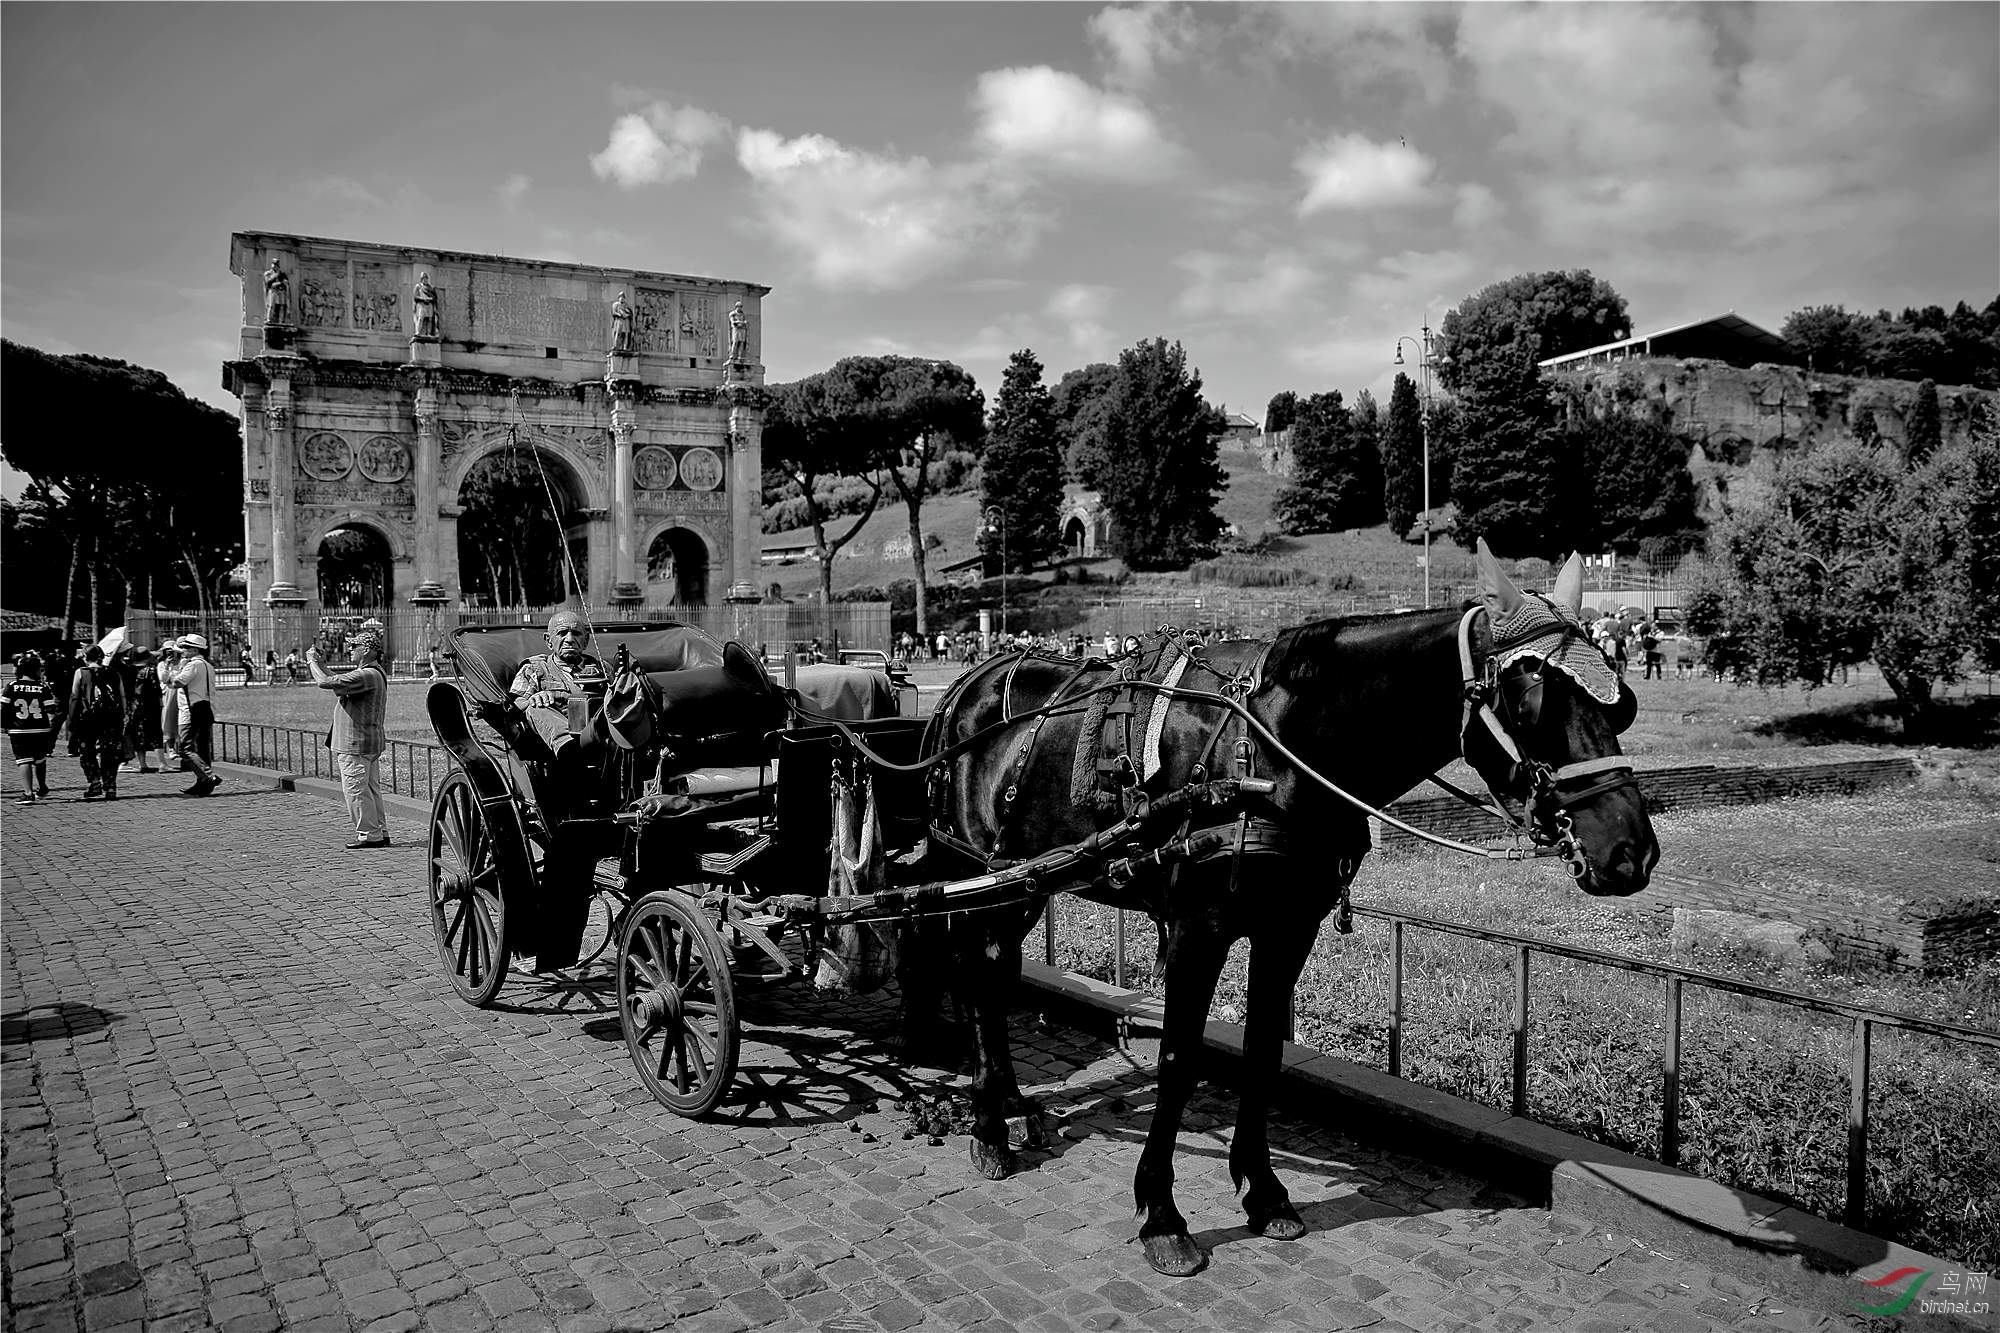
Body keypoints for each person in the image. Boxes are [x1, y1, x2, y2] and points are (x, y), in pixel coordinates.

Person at [308, 626, 391, 849]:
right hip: (367, 741)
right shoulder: (373, 673)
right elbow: (336, 678)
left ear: (367, 650)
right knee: (370, 789)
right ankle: (378, 831)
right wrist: (322, 663)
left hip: (356, 743)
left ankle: (369, 834)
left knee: (356, 789)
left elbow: (324, 682)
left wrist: (312, 663)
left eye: (354, 646)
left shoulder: (366, 674)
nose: (349, 650)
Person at [509, 610, 605, 766]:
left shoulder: (601, 668)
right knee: (534, 707)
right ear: (548, 640)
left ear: (586, 640)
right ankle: (571, 749)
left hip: (599, 734)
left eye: (576, 634)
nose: (569, 639)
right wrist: (533, 699)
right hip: (559, 741)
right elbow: (515, 704)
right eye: (562, 633)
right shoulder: (535, 668)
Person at [67, 645, 126, 800]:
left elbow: (75, 696)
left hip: (89, 718)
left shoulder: (81, 672)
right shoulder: (113, 672)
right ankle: (111, 786)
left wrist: (72, 719)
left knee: (87, 751)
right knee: (110, 752)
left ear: (86, 657)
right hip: (112, 718)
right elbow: (122, 695)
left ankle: (94, 782)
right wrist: (123, 714)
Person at [4, 652, 59, 802]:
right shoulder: (42, 687)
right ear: (35, 671)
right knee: (40, 759)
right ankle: (42, 786)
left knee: (23, 760)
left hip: (19, 729)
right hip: (40, 728)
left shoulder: (12, 686)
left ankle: (28, 793)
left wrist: (4, 725)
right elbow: (51, 709)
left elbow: (4, 708)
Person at [171, 633, 221, 797]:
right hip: (206, 709)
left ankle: (208, 776)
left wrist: (173, 671)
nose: (182, 650)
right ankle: (203, 785)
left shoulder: (192, 665)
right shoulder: (208, 665)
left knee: (185, 748)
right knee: (203, 749)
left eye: (185, 647)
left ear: (194, 649)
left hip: (190, 710)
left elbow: (178, 682)